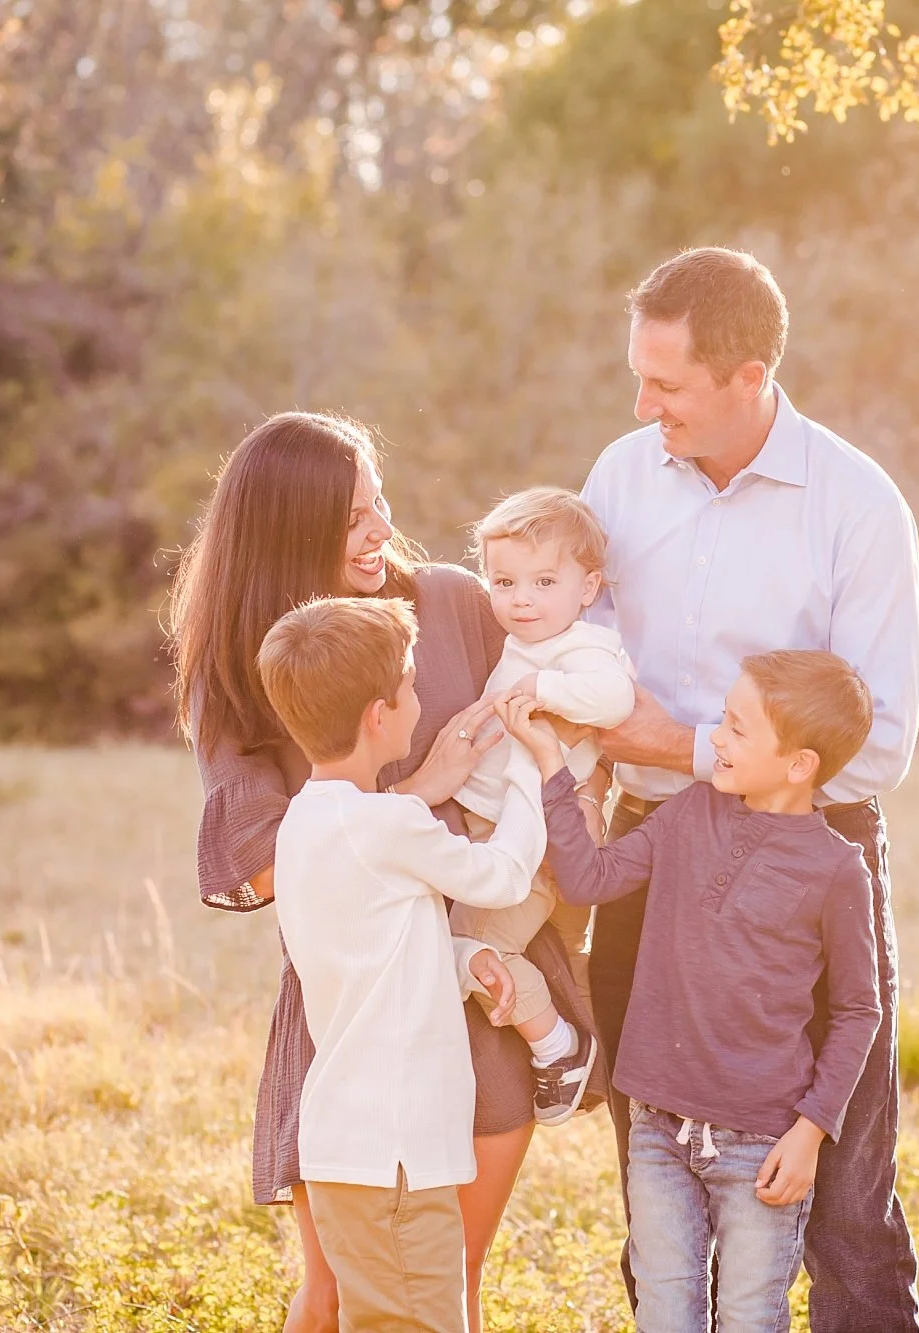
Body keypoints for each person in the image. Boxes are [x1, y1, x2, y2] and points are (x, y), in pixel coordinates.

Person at [168, 411, 604, 1333]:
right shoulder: (243, 668)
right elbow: (260, 864)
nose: (381, 531)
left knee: (451, 1280)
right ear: (289, 529)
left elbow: (564, 687)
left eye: (380, 504)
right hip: (358, 1008)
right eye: (352, 518)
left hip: (480, 981)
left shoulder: (448, 603)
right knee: (335, 1295)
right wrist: (418, 792)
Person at [582, 247, 919, 1331]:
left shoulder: (857, 507)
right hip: (650, 848)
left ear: (749, 375)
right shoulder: (621, 476)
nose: (644, 408)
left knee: (843, 1192)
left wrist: (684, 747)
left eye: (667, 385)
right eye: (639, 378)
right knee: (658, 1180)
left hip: (809, 856)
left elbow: (879, 744)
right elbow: (583, 651)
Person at [498, 650, 881, 1333]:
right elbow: (588, 879)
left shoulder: (836, 869)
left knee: (748, 1318)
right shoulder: (689, 812)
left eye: (736, 728)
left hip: (762, 1142)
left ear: (799, 764)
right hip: (657, 1128)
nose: (716, 737)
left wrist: (811, 1130)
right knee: (665, 1316)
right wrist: (553, 766)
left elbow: (859, 1010)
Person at [258, 595, 539, 1332]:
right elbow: (505, 876)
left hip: (352, 1148)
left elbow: (372, 952)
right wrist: (534, 773)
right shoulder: (390, 822)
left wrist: (464, 958)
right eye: (412, 686)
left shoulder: (304, 822)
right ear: (379, 716)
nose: (421, 698)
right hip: (396, 1157)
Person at [450, 487, 631, 1124]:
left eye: (544, 582)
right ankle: (589, 1044)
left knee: (469, 949)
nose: (521, 599)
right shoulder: (528, 641)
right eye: (504, 582)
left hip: (532, 844)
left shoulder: (582, 648)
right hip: (501, 824)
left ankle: (559, 1048)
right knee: (556, 951)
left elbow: (614, 699)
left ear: (589, 587)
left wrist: (542, 688)